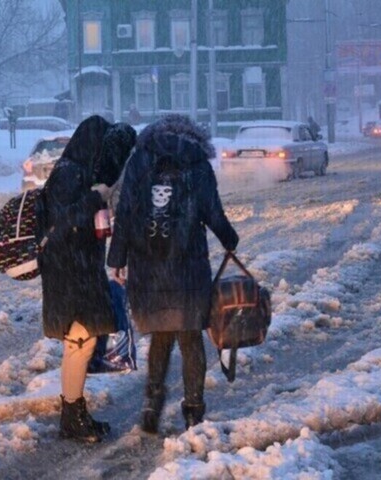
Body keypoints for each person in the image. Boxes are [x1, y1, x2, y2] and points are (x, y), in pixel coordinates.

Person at [107, 114, 239, 433]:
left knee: (161, 335)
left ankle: (152, 401)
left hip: (148, 264)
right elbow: (212, 212)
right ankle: (193, 409)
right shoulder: (197, 164)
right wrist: (230, 240)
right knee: (190, 337)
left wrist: (117, 259)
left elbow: (124, 213)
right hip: (188, 265)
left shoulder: (139, 161)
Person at [36, 115, 135, 443]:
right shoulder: (68, 174)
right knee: (80, 341)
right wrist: (97, 196)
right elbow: (67, 222)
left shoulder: (78, 172)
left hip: (79, 270)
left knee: (81, 342)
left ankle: (75, 414)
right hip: (68, 272)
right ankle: (72, 417)